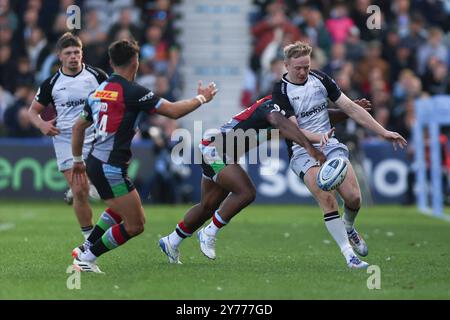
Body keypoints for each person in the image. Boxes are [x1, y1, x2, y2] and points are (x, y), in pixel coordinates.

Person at [71, 39, 217, 272]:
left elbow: (78, 127)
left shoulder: (98, 91)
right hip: (111, 168)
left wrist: (78, 161)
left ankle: (86, 246)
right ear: (135, 62)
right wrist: (202, 98)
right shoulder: (133, 92)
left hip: (95, 162)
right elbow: (173, 111)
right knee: (135, 224)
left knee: (121, 208)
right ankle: (87, 258)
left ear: (111, 62)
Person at [272, 41, 407, 269]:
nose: (303, 71)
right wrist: (318, 138)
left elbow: (351, 108)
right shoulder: (280, 90)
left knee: (354, 198)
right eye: (298, 68)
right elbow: (293, 131)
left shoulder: (321, 79)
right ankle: (349, 257)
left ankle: (348, 226)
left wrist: (383, 132)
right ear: (286, 65)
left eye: (306, 66)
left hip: (330, 144)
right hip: (302, 149)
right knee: (327, 197)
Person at [159, 95, 329, 264]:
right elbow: (287, 127)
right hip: (214, 151)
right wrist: (314, 144)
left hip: (217, 151)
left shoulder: (286, 114)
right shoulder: (272, 107)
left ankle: (171, 241)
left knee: (207, 206)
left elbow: (309, 123)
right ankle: (209, 232)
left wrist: (348, 111)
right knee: (246, 192)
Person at [28, 32, 109, 241]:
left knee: (98, 186)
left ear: (82, 54)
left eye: (77, 52)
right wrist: (41, 124)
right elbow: (32, 111)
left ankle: (77, 190)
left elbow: (114, 101)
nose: (73, 56)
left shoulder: (97, 76)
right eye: (69, 53)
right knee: (82, 190)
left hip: (95, 135)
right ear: (60, 56)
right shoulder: (51, 83)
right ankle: (89, 239)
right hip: (65, 138)